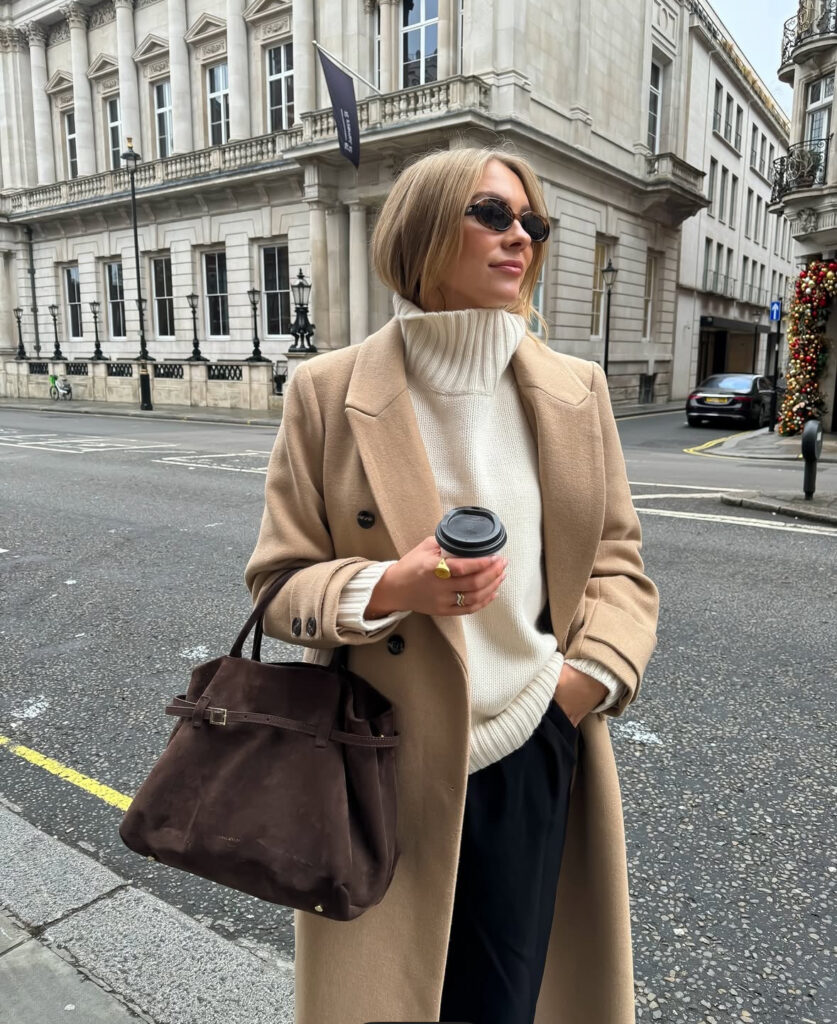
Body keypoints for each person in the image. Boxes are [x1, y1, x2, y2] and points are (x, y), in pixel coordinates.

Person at [245, 146, 659, 1024]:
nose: (521, 238)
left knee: (505, 1000)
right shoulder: (326, 391)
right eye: (493, 215)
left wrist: (576, 693)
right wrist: (390, 586)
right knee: (390, 1001)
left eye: (532, 224)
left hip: (533, 742)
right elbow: (278, 585)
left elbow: (621, 568)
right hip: (376, 757)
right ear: (423, 228)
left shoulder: (576, 390)